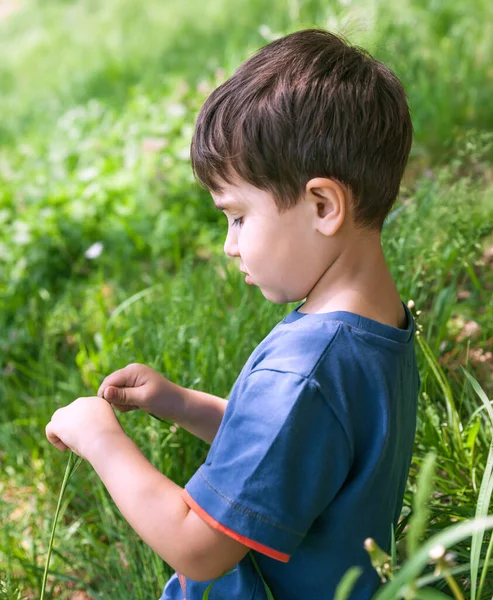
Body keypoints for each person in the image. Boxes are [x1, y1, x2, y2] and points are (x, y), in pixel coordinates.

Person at [45, 28, 420, 599]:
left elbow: (200, 549)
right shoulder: (376, 330)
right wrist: (180, 404)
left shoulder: (305, 369)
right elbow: (294, 452)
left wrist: (102, 439)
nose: (229, 244)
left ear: (322, 205)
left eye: (238, 216)